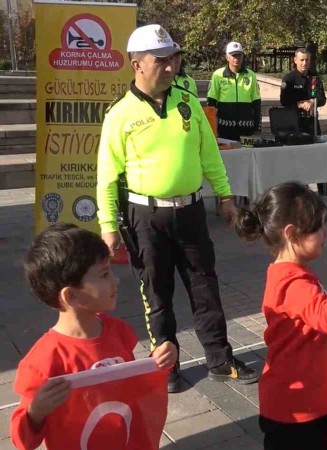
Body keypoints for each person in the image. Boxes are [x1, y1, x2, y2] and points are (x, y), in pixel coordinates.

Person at [96, 24, 259, 393]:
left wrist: (226, 197)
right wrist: (108, 225)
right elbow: (106, 176)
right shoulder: (119, 114)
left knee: (205, 287)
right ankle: (165, 366)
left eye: (174, 58)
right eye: (161, 60)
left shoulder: (188, 102)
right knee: (156, 294)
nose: (171, 67)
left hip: (191, 212)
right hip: (145, 218)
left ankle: (220, 360)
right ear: (137, 64)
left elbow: (209, 153)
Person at [10, 224, 178, 449]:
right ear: (72, 296)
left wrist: (156, 362)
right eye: (105, 274)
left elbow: (131, 388)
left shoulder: (118, 331)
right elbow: (22, 441)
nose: (116, 281)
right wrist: (35, 412)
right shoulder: (44, 361)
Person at [233, 182, 327, 450]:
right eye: (318, 228)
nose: (325, 234)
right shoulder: (293, 283)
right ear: (292, 234)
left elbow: (320, 314)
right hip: (298, 409)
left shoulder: (290, 274)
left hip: (304, 402)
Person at [280, 48, 327, 195]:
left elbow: (322, 99)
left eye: (307, 60)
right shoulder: (289, 78)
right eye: (301, 60)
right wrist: (300, 104)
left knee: (319, 156)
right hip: (295, 124)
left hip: (312, 122)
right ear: (295, 60)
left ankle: (323, 188)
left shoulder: (314, 77)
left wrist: (312, 102)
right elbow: (284, 101)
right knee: (298, 158)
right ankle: (300, 189)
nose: (304, 63)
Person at [207, 41, 262, 140]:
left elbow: (256, 103)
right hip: (224, 130)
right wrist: (211, 128)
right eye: (233, 55)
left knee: (247, 150)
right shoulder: (218, 75)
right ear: (227, 57)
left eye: (239, 55)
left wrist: (257, 128)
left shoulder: (251, 75)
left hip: (247, 129)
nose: (236, 58)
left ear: (242, 56)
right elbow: (211, 103)